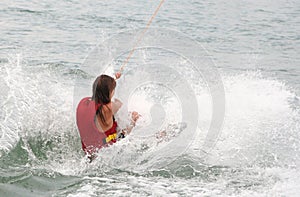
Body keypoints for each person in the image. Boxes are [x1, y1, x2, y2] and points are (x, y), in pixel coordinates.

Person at [76, 72, 139, 161]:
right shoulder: (108, 109)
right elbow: (120, 104)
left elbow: (101, 91)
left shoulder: (83, 102)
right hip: (106, 153)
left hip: (88, 151)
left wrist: (112, 80)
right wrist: (133, 121)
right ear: (110, 92)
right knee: (131, 122)